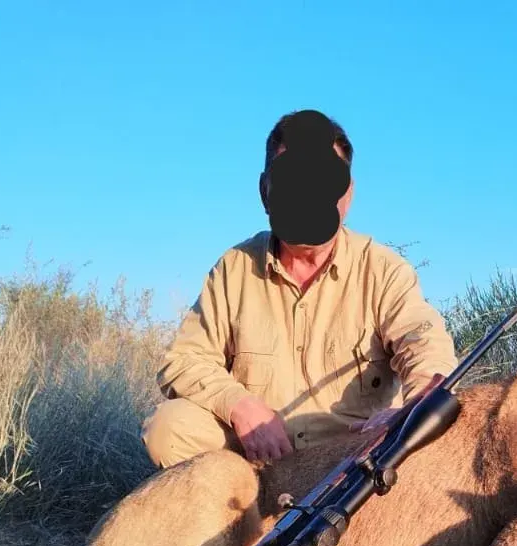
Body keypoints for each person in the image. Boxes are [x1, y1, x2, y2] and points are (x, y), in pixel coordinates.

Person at [141, 109, 459, 469]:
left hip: (349, 462)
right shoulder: (235, 267)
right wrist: (238, 405)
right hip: (257, 460)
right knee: (169, 428)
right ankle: (237, 517)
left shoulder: (384, 270)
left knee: (431, 429)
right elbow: (183, 361)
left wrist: (417, 404)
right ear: (266, 190)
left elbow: (423, 343)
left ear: (348, 193)